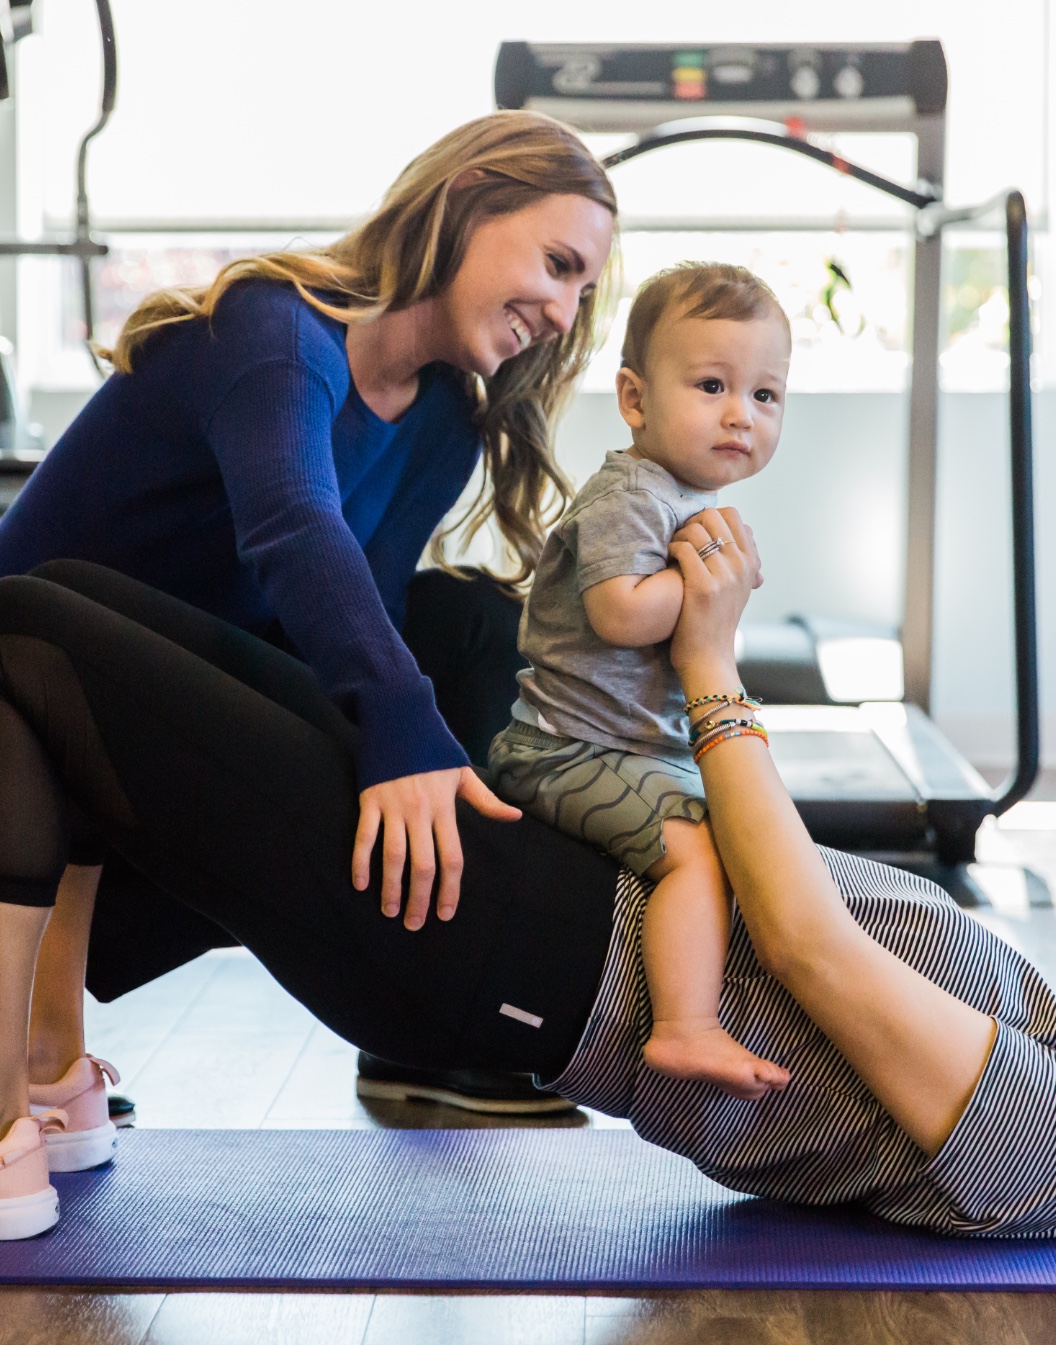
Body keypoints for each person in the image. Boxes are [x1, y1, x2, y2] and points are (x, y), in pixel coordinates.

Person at [0, 531, 1056, 1242]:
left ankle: (18, 1118)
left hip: (510, 964)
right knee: (58, 600)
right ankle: (48, 1082)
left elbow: (807, 943)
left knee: (34, 638)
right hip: (532, 893)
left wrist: (712, 663)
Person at [0, 109, 617, 1116]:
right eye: (555, 264)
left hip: (136, 776)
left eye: (581, 290)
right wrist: (403, 737)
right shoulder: (274, 331)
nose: (561, 310)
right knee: (401, 696)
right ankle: (33, 1034)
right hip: (23, 730)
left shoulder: (443, 418)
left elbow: (342, 621)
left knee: (468, 625)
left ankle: (436, 1018)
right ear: (465, 199)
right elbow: (291, 527)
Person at [488, 263, 791, 1100]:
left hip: (636, 749)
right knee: (695, 854)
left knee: (756, 830)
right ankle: (682, 1028)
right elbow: (621, 611)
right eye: (711, 385)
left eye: (766, 395)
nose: (741, 413)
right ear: (634, 398)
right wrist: (713, 587)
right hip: (562, 749)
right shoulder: (631, 495)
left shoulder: (689, 497)